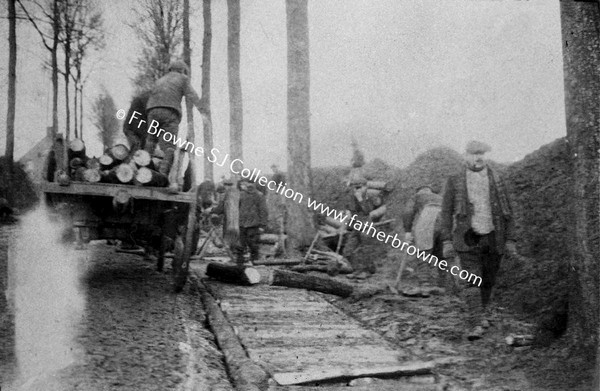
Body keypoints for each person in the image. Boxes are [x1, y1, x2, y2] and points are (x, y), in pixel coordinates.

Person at [441, 140, 518, 340]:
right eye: (474, 153)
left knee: (488, 279)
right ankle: (475, 322)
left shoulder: (497, 179)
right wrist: (447, 240)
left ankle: (480, 313)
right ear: (465, 155)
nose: (479, 157)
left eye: (482, 153)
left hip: (493, 236)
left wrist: (510, 239)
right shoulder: (455, 180)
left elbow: (509, 211)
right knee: (471, 280)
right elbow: (446, 212)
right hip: (467, 237)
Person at [144, 60, 208, 192]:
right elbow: (191, 95)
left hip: (152, 111)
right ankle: (162, 177)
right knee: (169, 147)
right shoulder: (183, 78)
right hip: (170, 111)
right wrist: (203, 109)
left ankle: (142, 172)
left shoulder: (159, 80)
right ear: (182, 70)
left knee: (150, 141)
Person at [397, 185, 444, 287]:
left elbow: (408, 212)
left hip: (429, 216)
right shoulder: (439, 197)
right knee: (441, 254)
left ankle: (425, 282)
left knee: (423, 252)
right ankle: (445, 283)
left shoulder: (417, 196)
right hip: (445, 220)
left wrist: (408, 231)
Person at [343, 176, 387, 276]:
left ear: (365, 187)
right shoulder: (351, 197)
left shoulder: (370, 196)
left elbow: (368, 211)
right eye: (355, 187)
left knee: (366, 249)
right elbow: (349, 208)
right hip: (355, 226)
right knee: (348, 250)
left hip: (366, 226)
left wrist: (360, 199)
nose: (356, 190)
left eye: (359, 187)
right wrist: (347, 212)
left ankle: (367, 271)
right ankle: (357, 269)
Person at [236, 179, 269, 264]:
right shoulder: (241, 195)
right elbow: (237, 208)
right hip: (243, 224)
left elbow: (263, 211)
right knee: (242, 246)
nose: (249, 186)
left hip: (252, 225)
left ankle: (253, 263)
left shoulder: (259, 195)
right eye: (248, 184)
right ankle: (241, 263)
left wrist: (262, 225)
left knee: (252, 246)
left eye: (251, 184)